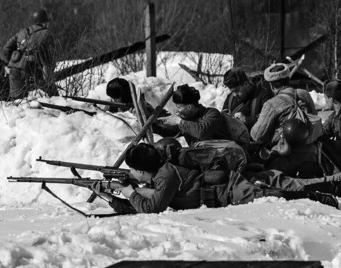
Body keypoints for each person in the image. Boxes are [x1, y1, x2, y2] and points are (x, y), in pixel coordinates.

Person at [90, 143, 340, 214]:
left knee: (280, 197)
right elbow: (140, 205)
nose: (132, 175)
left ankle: (320, 196)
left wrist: (126, 189)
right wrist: (108, 195)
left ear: (143, 171)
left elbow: (152, 207)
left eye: (134, 171)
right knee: (279, 192)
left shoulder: (166, 176)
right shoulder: (158, 178)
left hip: (232, 191)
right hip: (225, 193)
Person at [250, 63, 321, 178]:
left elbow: (258, 136)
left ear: (272, 86)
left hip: (284, 158)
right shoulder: (304, 95)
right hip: (311, 155)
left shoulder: (272, 104)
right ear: (288, 79)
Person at [3, 9, 58, 100]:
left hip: (15, 71)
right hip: (35, 71)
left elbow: (6, 48)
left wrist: (14, 61)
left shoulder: (22, 32)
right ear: (44, 22)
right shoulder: (47, 34)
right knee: (55, 98)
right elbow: (51, 56)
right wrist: (48, 72)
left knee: (17, 103)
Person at [155, 84, 232, 147]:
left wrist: (178, 121)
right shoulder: (186, 120)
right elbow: (170, 132)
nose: (177, 110)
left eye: (179, 107)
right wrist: (155, 126)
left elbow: (202, 132)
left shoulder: (212, 114)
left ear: (189, 107)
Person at [320, 79, 341, 174]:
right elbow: (324, 130)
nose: (324, 101)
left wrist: (329, 143)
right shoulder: (335, 116)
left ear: (331, 99)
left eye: (325, 98)